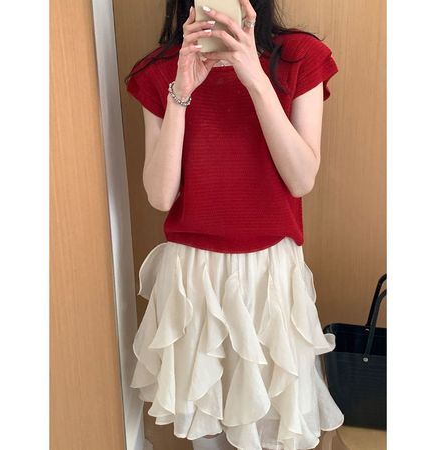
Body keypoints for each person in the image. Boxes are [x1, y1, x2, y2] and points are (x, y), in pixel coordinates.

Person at [124, 1, 344, 449]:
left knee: (273, 426)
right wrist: (181, 92)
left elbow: (301, 179)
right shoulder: (160, 70)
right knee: (207, 430)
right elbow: (160, 196)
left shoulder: (298, 57)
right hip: (193, 277)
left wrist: (255, 78)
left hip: (270, 274)